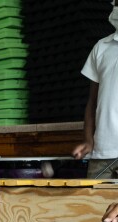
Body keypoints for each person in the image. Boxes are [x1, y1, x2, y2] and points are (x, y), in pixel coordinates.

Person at [72, 7, 118, 178]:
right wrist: (88, 141)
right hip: (102, 153)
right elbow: (93, 102)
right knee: (91, 203)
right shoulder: (101, 47)